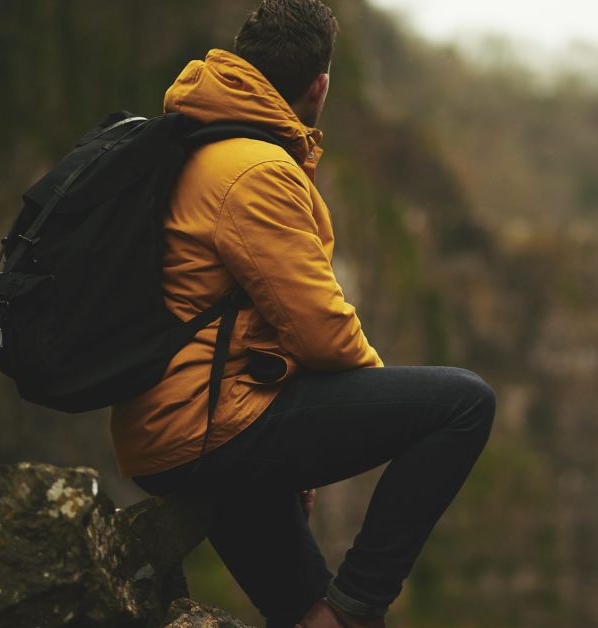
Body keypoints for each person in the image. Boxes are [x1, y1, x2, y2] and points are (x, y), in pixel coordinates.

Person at [109, 1, 496, 626]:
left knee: (304, 614)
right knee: (464, 403)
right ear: (320, 85)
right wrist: (363, 404)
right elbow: (322, 331)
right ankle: (357, 606)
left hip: (176, 428)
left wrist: (302, 436)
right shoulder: (254, 170)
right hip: (208, 429)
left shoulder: (197, 140)